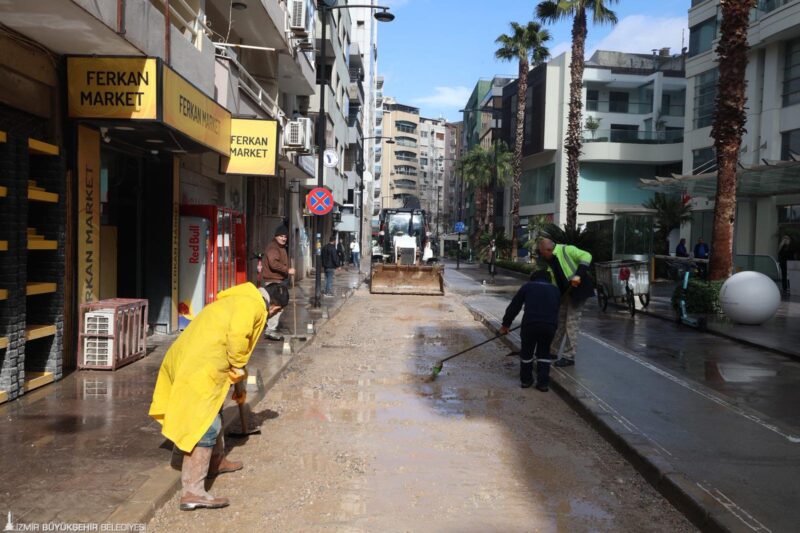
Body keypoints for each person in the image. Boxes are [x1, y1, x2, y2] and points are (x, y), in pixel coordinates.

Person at [149, 282, 289, 511]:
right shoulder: (252, 306)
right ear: (275, 308)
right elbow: (237, 339)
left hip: (191, 357)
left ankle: (216, 462)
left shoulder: (240, 298)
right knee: (204, 424)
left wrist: (237, 377)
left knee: (214, 409)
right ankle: (192, 492)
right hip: (200, 365)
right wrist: (238, 367)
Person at [499, 267, 561, 391]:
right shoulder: (555, 290)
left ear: (533, 278)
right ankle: (543, 383)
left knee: (527, 353)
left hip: (530, 325)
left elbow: (514, 307)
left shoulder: (527, 287)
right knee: (544, 353)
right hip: (549, 327)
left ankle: (526, 381)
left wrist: (506, 325)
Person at [536, 238, 594, 367]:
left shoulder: (567, 249)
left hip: (578, 292)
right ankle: (552, 351)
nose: (541, 255)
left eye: (542, 252)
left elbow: (587, 256)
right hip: (565, 293)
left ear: (548, 249)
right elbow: (555, 280)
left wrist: (578, 275)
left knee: (571, 323)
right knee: (559, 321)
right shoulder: (551, 260)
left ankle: (569, 356)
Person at [262, 225, 295, 341]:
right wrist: (287, 270)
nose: (284, 238)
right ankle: (270, 329)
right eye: (281, 236)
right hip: (273, 281)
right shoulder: (273, 247)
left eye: (285, 236)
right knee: (276, 305)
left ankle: (268, 326)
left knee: (275, 306)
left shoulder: (280, 247)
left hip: (277, 280)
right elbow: (273, 263)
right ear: (276, 236)